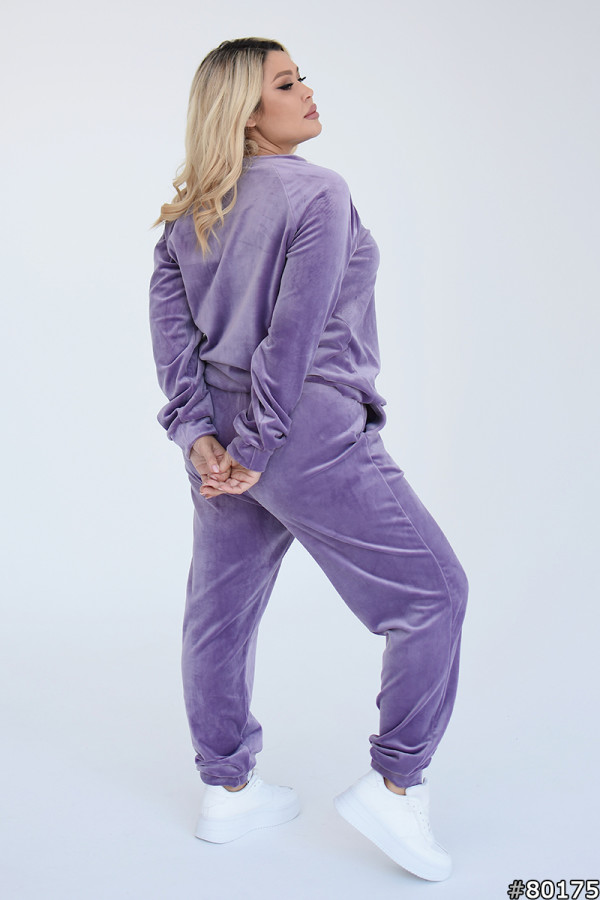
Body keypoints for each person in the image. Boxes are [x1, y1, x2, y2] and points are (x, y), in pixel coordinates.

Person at [149, 37, 468, 882]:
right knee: (434, 595)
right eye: (287, 84)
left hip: (225, 443)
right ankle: (397, 786)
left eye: (301, 78)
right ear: (246, 114)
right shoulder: (318, 192)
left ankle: (227, 788)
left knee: (219, 614)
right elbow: (294, 335)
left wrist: (203, 439)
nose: (308, 91)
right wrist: (257, 446)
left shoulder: (186, 217)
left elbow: (174, 347)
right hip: (305, 433)